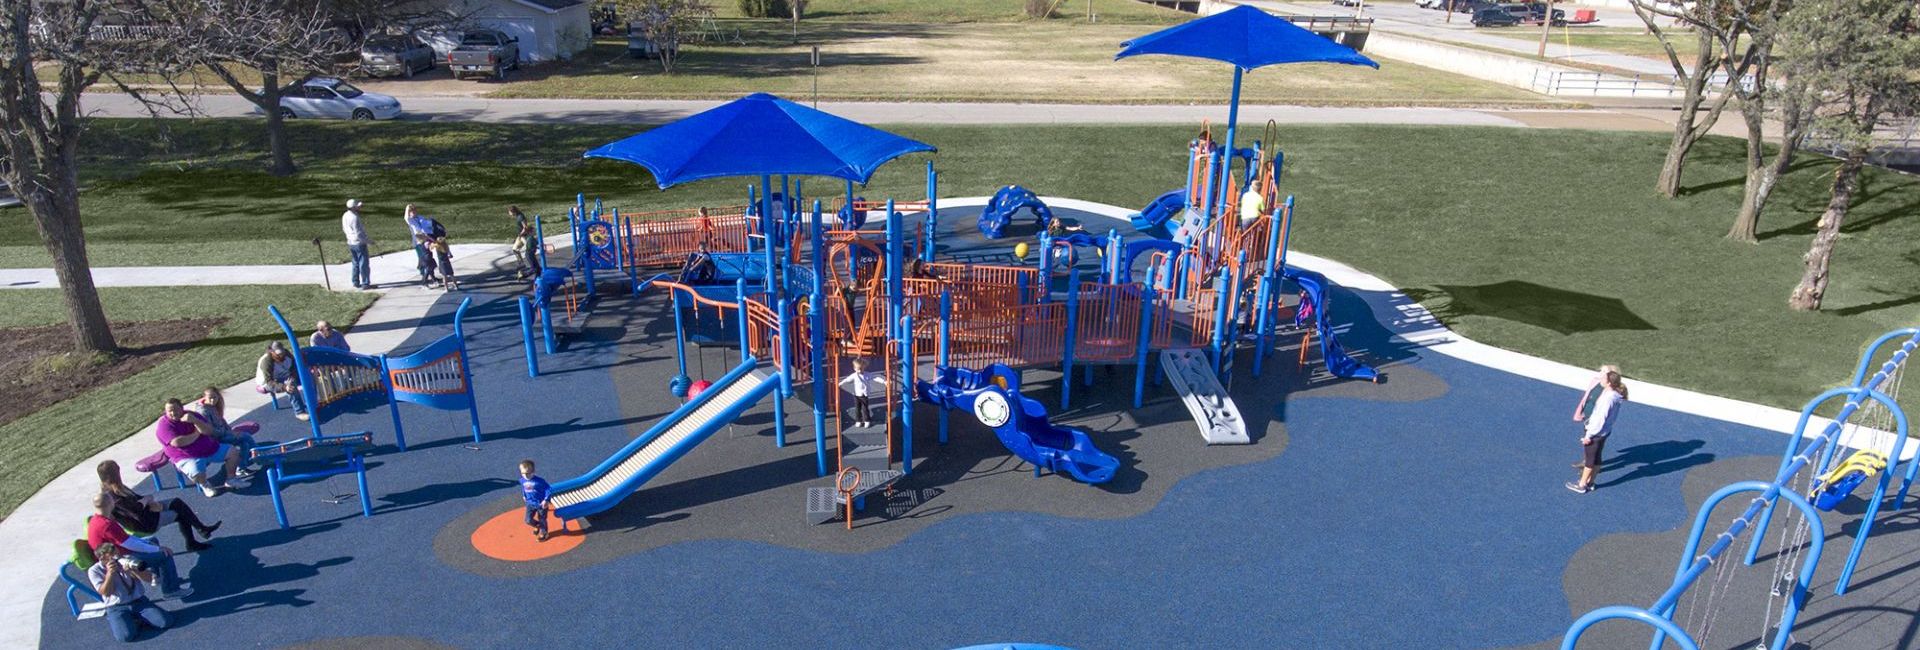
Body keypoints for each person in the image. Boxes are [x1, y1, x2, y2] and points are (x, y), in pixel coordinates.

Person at [97, 460, 219, 552]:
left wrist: (151, 502)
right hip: (145, 522)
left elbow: (137, 499)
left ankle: (201, 529)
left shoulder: (118, 487)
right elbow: (135, 511)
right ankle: (192, 542)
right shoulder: (112, 495)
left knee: (176, 502)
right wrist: (149, 502)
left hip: (146, 511)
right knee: (180, 515)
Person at [87, 494, 189, 600]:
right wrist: (158, 549)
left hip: (115, 551)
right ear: (109, 503)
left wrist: (149, 545)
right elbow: (129, 544)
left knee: (152, 540)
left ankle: (159, 578)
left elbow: (126, 539)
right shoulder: (107, 525)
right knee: (164, 555)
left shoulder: (96, 520)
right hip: (119, 557)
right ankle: (171, 590)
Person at [157, 398, 249, 497]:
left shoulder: (192, 415)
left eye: (175, 409)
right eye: (169, 411)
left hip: (209, 448)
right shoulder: (164, 425)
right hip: (187, 456)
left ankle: (231, 479)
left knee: (233, 452)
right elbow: (178, 442)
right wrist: (196, 433)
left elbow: (209, 431)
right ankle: (205, 485)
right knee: (196, 473)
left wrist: (195, 421)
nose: (173, 413)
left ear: (182, 408)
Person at [89, 535, 174, 642]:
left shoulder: (127, 559)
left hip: (138, 602)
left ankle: (137, 619)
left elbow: (150, 579)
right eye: (112, 556)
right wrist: (110, 574)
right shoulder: (94, 570)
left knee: (166, 622)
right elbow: (105, 592)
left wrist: (134, 571)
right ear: (102, 558)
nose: (117, 557)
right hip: (117, 607)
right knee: (125, 636)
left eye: (117, 553)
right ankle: (131, 621)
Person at [1567, 366, 1629, 494]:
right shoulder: (1615, 395)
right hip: (1604, 432)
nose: (1601, 378)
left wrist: (1588, 435)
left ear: (1609, 382)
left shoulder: (1608, 398)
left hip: (1596, 433)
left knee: (1590, 459)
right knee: (1597, 457)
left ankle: (1582, 484)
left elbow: (1600, 419)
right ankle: (1590, 483)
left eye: (1604, 377)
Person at [185, 386, 259, 453]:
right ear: (205, 397)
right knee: (245, 436)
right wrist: (226, 433)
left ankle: (242, 465)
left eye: (215, 397)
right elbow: (211, 431)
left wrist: (230, 431)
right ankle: (258, 453)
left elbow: (222, 421)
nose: (213, 400)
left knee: (244, 444)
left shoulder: (213, 406)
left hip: (222, 433)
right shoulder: (204, 411)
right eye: (210, 398)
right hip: (216, 440)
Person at [256, 341, 308, 420]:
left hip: (285, 376)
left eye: (282, 353)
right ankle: (299, 412)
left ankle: (314, 403)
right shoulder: (266, 362)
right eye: (278, 354)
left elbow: (294, 368)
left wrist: (294, 376)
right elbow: (269, 382)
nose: (281, 355)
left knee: (308, 377)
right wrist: (284, 387)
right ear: (271, 352)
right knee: (291, 386)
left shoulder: (287, 355)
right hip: (268, 382)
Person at [837, 358, 889, 429]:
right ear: (854, 368)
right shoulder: (854, 375)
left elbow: (875, 378)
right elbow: (847, 379)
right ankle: (858, 420)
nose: (860, 370)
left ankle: (867, 420)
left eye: (861, 369)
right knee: (857, 408)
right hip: (856, 394)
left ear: (864, 368)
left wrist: (884, 382)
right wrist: (840, 383)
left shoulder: (867, 374)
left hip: (864, 394)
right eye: (858, 369)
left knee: (865, 408)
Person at [342, 199, 373, 290]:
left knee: (355, 262)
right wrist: (368, 241)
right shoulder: (354, 218)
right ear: (354, 207)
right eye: (358, 206)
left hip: (351, 243)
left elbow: (344, 229)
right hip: (359, 243)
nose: (360, 207)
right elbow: (358, 234)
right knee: (363, 264)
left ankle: (355, 282)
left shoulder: (345, 215)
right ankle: (365, 283)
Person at [404, 204, 439, 286]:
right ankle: (425, 278)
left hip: (427, 241)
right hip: (418, 243)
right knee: (424, 260)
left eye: (414, 210)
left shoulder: (420, 218)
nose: (413, 212)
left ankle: (432, 277)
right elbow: (406, 217)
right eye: (411, 211)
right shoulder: (410, 220)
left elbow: (427, 226)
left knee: (429, 259)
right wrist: (407, 208)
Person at [519, 460, 551, 542]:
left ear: (533, 472)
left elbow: (548, 489)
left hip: (541, 504)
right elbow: (523, 488)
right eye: (523, 473)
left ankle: (544, 533)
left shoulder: (539, 481)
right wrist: (524, 495)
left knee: (542, 519)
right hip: (530, 503)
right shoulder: (522, 480)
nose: (525, 475)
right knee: (528, 520)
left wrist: (546, 500)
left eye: (528, 473)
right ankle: (537, 525)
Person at [510, 206, 541, 280]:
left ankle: (530, 269)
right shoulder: (517, 216)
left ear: (513, 211)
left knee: (529, 249)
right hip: (521, 236)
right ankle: (522, 264)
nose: (510, 214)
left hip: (524, 236)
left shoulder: (520, 216)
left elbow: (525, 227)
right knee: (515, 249)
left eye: (510, 212)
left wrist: (521, 234)